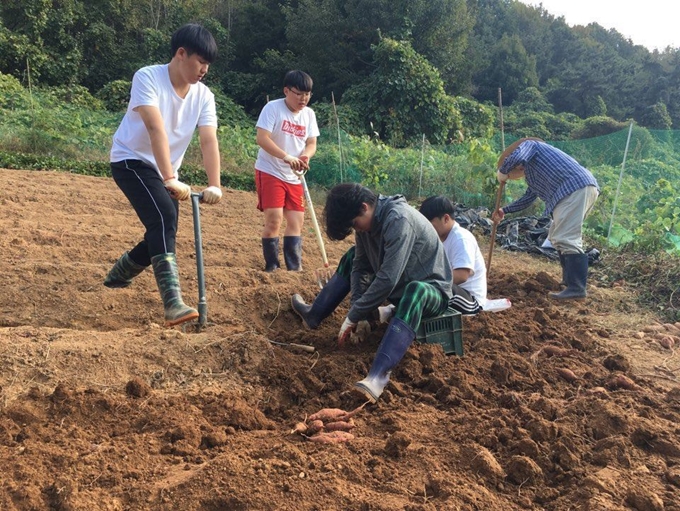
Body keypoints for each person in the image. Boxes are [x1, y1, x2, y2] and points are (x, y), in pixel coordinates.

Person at [104, 24, 223, 327]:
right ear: (181, 54)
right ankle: (173, 305)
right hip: (130, 159)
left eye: (208, 65)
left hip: (163, 169)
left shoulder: (204, 96)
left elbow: (208, 139)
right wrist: (169, 177)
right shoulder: (148, 77)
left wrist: (215, 184)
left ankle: (120, 273)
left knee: (163, 228)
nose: (204, 70)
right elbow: (155, 128)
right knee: (164, 220)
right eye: (201, 62)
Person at [291, 183, 453, 402]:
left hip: (432, 292)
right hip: (400, 287)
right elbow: (359, 265)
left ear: (365, 207)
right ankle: (314, 314)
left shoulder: (399, 220)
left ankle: (377, 377)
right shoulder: (367, 225)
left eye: (355, 224)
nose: (357, 229)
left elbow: (388, 278)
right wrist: (359, 312)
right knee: (351, 255)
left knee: (416, 291)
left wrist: (354, 314)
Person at [491, 138, 599, 300]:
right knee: (557, 236)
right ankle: (569, 282)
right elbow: (528, 198)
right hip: (576, 190)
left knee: (566, 237)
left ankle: (577, 288)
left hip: (574, 188)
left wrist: (503, 172)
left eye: (515, 166)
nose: (517, 168)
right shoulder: (532, 173)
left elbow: (518, 156)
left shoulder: (532, 146)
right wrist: (503, 210)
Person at [254, 70, 319, 272]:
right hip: (270, 170)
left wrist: (305, 156)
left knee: (296, 221)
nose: (303, 99)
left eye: (307, 94)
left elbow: (311, 142)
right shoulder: (273, 108)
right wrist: (287, 157)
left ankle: (294, 268)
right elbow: (262, 138)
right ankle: (272, 266)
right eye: (298, 93)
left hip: (294, 176)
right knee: (274, 219)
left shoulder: (309, 115)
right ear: (286, 91)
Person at [419, 196, 486, 315]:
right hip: (454, 292)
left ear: (445, 218)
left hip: (470, 301)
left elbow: (461, 275)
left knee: (430, 290)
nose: (427, 229)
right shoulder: (437, 239)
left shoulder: (461, 238)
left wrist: (430, 282)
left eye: (430, 225)